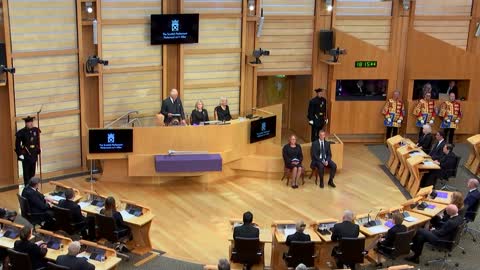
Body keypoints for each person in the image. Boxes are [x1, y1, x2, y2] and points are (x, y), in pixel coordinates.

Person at [15, 116, 41, 185]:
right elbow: (17, 145)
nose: (31, 123)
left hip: (34, 154)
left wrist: (38, 149)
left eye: (32, 122)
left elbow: (37, 141)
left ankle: (32, 187)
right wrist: (20, 154)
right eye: (29, 122)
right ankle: (27, 187)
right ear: (26, 123)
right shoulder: (21, 132)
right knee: (26, 173)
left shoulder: (36, 130)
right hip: (26, 155)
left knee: (33, 173)